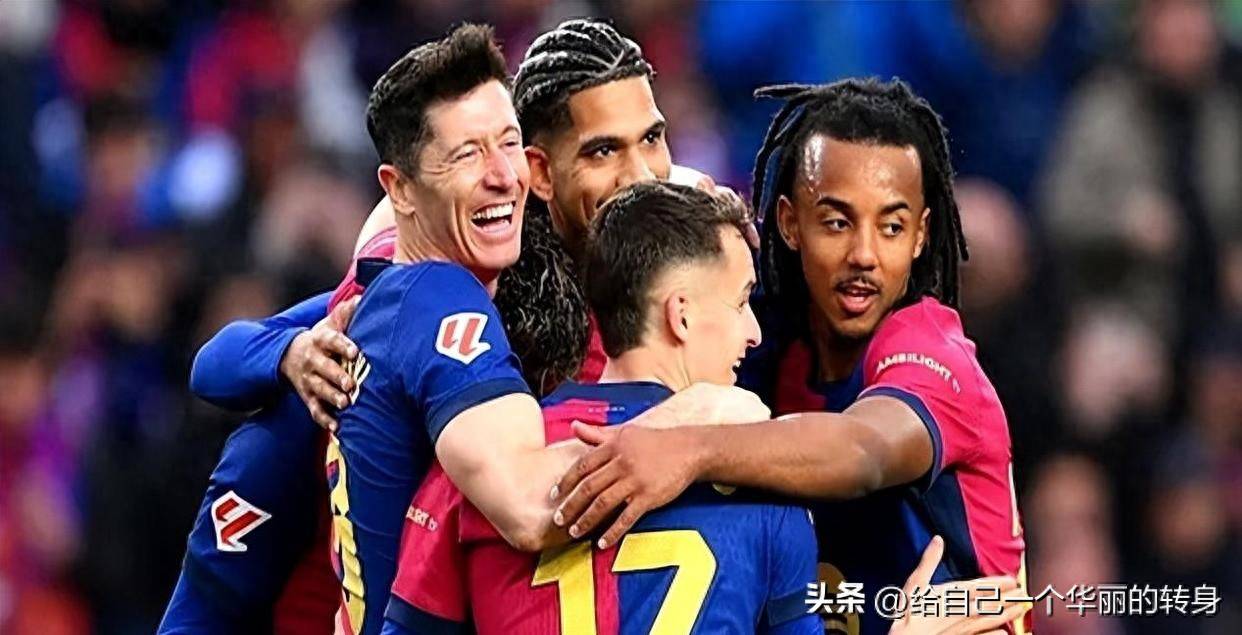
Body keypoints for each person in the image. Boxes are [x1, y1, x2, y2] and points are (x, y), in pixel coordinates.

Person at [550, 79, 1029, 634]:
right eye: (836, 222)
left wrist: (687, 449)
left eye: (892, 227)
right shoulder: (761, 340)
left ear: (921, 236)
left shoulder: (931, 352)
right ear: (788, 222)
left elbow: (863, 450)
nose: (864, 254)